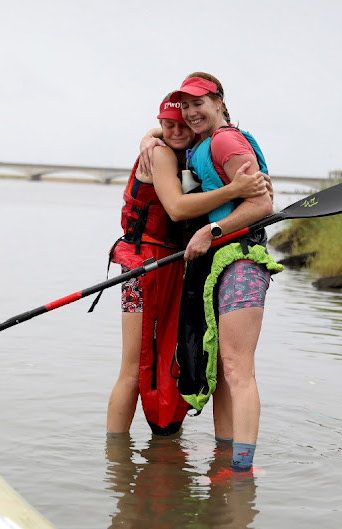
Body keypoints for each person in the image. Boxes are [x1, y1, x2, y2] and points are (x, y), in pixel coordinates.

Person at [105, 96, 271, 437]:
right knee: (133, 369)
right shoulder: (161, 153)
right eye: (168, 125)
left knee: (169, 358)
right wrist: (237, 189)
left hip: (176, 266)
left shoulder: (194, 152)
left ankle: (165, 445)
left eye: (183, 123)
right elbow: (179, 209)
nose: (176, 130)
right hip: (143, 268)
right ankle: (115, 456)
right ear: (161, 126)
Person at [162, 72, 283, 473]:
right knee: (220, 366)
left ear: (218, 102)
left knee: (236, 367)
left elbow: (262, 204)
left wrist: (210, 230)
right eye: (186, 106)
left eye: (199, 103)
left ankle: (243, 467)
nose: (192, 112)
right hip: (220, 262)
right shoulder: (202, 145)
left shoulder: (226, 140)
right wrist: (151, 137)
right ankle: (225, 456)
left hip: (242, 261)